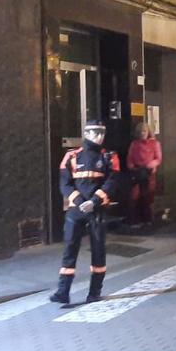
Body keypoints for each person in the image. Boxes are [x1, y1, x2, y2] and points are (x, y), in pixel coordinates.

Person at [50, 120, 122, 304]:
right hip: (76, 211)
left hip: (96, 211)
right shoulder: (72, 156)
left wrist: (94, 201)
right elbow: (64, 184)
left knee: (98, 251)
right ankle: (62, 292)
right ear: (86, 134)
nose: (99, 136)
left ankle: (94, 292)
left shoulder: (109, 157)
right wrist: (81, 202)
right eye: (95, 132)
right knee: (69, 250)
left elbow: (112, 182)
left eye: (102, 133)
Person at [126, 121, 162, 227]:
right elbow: (130, 158)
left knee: (147, 197)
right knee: (135, 196)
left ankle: (148, 219)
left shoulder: (154, 143)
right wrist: (132, 167)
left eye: (144, 131)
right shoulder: (134, 144)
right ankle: (136, 220)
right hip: (137, 172)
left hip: (149, 173)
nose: (142, 133)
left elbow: (158, 158)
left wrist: (150, 165)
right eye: (140, 131)